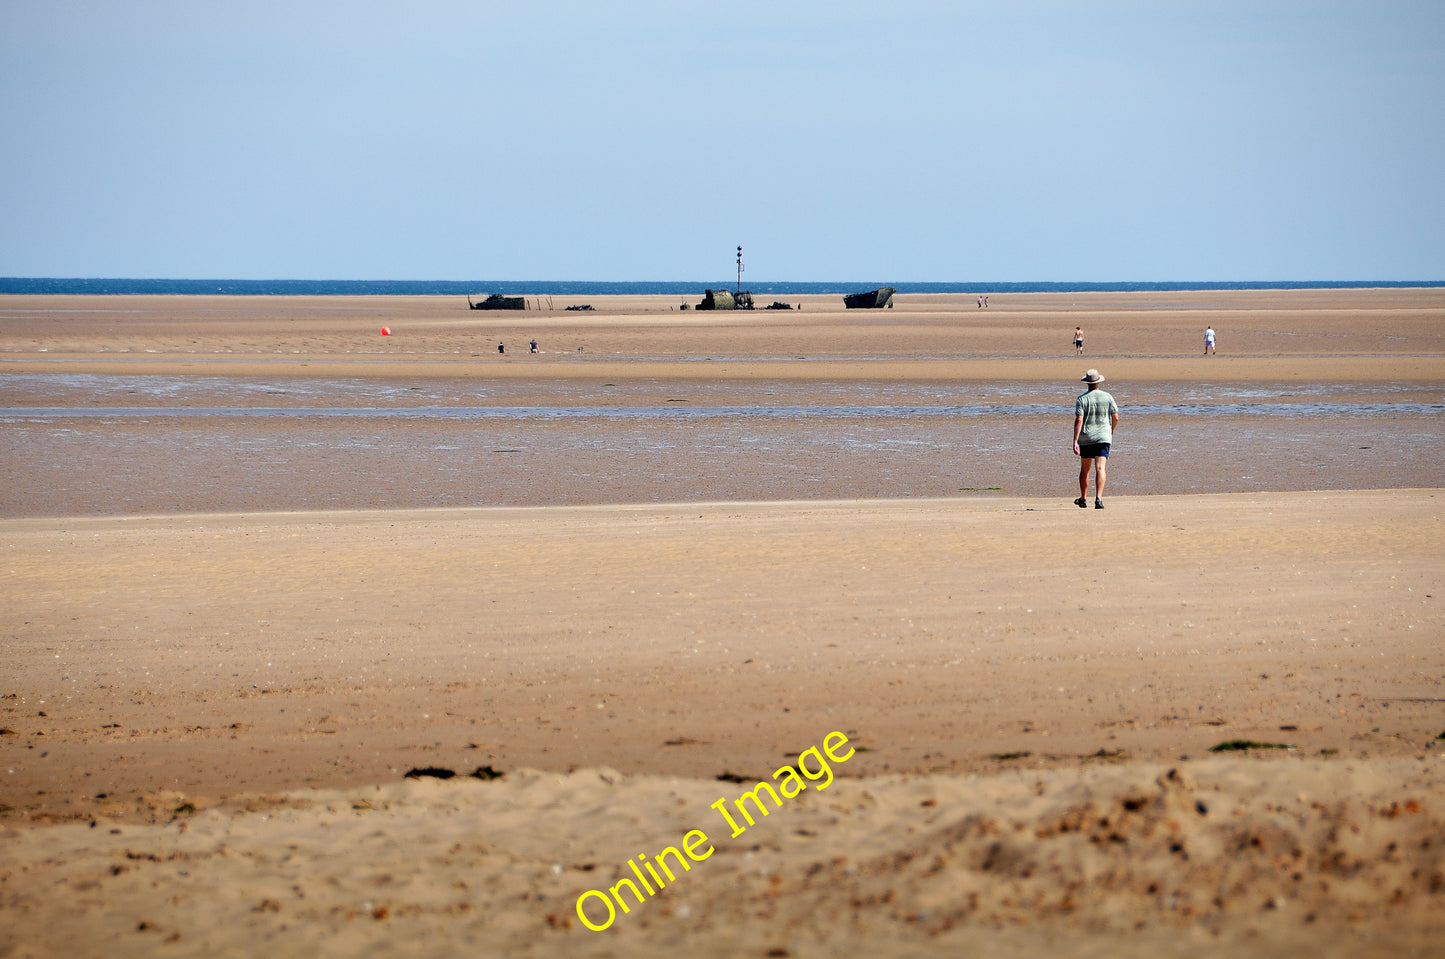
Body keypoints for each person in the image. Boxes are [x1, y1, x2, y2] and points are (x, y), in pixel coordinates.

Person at [1072, 369, 1119, 509]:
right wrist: (1111, 430)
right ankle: (1098, 498)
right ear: (1098, 382)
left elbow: (1079, 420)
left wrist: (1075, 440)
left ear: (1087, 383)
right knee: (1100, 467)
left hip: (1086, 437)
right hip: (1103, 436)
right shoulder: (1108, 397)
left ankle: (1083, 498)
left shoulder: (1082, 399)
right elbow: (1115, 417)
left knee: (1085, 469)